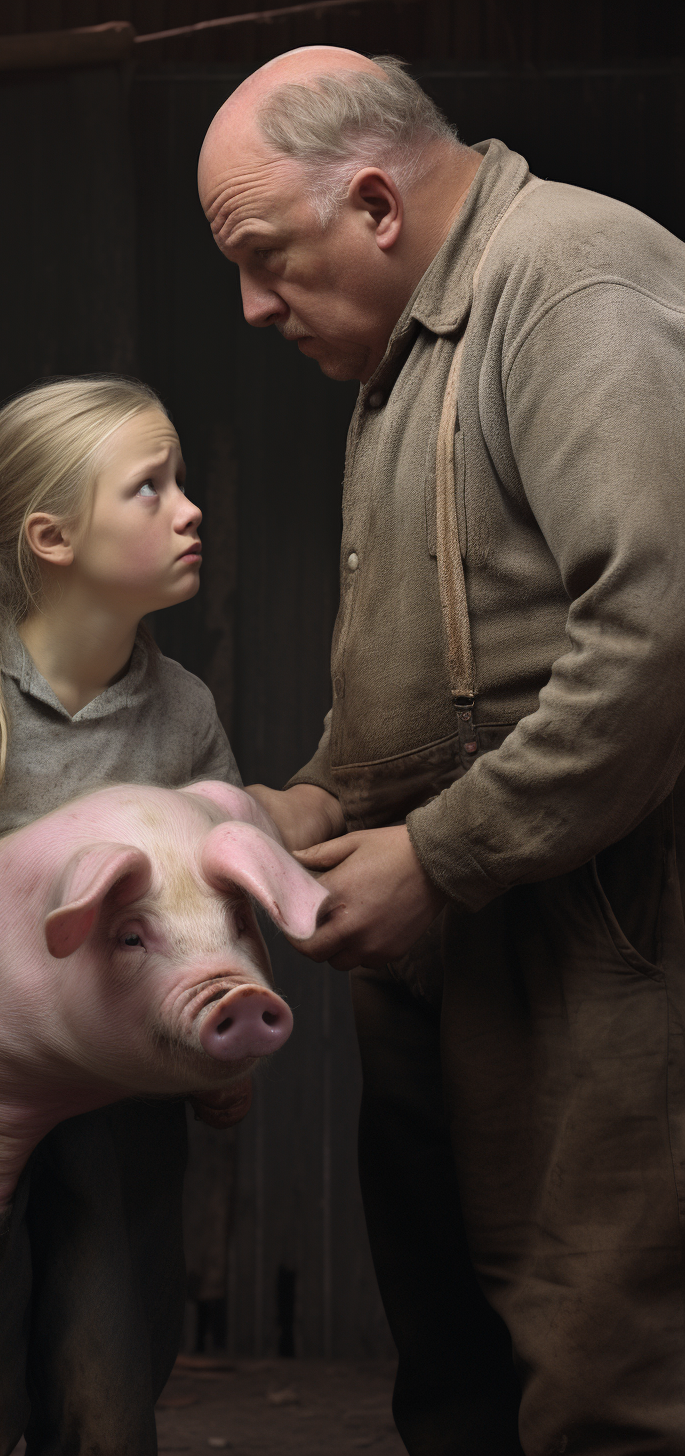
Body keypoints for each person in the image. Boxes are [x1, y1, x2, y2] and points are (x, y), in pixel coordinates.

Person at [198, 46, 685, 1456]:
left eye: (267, 257)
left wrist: (442, 855)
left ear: (373, 204)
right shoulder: (415, 349)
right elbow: (444, 673)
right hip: (455, 946)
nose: (251, 304)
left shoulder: (575, 283)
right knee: (457, 1372)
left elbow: (657, 637)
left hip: (603, 953)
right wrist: (310, 801)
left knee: (611, 1377)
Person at [0, 376, 242, 1455]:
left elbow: (212, 903)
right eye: (150, 487)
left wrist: (223, 1063)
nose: (189, 507)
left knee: (109, 1389)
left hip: (122, 1111)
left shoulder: (185, 717)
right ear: (52, 536)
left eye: (179, 481)